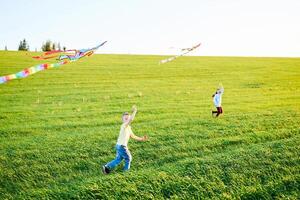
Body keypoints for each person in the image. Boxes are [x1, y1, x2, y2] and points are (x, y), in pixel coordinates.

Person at [102, 105, 148, 174]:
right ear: (122, 120)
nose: (128, 120)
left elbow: (133, 136)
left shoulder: (128, 127)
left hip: (119, 145)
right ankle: (126, 172)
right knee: (128, 158)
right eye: (125, 119)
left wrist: (141, 139)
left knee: (118, 159)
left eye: (128, 118)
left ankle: (106, 167)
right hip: (122, 146)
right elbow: (131, 119)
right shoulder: (124, 126)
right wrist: (135, 111)